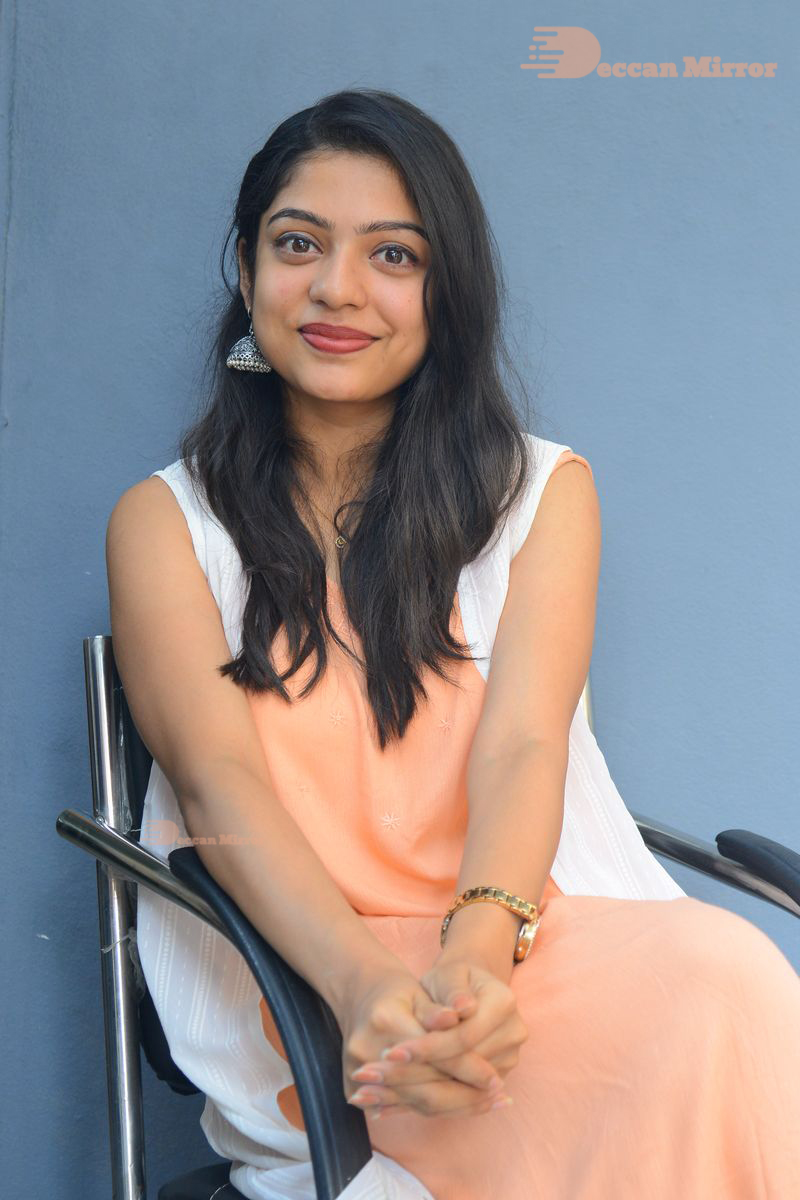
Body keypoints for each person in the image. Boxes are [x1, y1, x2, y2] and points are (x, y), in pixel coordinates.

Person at [106, 88, 800, 1199]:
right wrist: (362, 986)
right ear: (245, 268)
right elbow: (215, 781)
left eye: (393, 254)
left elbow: (524, 745)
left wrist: (477, 962)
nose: (337, 288)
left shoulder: (542, 493)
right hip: (307, 975)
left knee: (726, 979)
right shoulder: (165, 524)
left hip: (517, 946)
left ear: (447, 289)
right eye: (298, 244)